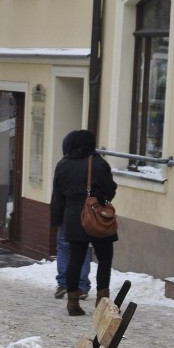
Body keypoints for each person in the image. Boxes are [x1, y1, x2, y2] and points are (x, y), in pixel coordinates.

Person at [50, 129, 118, 316]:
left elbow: (58, 195)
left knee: (76, 259)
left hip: (73, 217)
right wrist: (98, 197)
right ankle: (102, 301)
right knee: (104, 259)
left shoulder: (62, 165)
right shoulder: (98, 163)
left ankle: (72, 303)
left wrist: (60, 216)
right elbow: (110, 189)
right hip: (97, 216)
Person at [54, 130, 92, 300]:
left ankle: (63, 283)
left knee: (64, 245)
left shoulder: (63, 164)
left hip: (66, 212)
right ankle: (82, 285)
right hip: (87, 213)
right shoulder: (91, 164)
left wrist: (56, 214)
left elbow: (57, 194)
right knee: (83, 248)